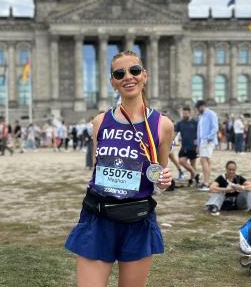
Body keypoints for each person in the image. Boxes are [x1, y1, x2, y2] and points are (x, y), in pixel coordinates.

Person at [65, 51, 173, 287]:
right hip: (98, 216)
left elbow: (158, 174)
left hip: (137, 219)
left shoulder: (162, 125)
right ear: (113, 81)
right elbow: (97, 167)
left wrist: (164, 181)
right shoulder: (100, 121)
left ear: (144, 75)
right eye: (119, 73)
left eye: (134, 70)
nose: (128, 77)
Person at [195, 100, 218, 191]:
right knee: (207, 161)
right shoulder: (201, 116)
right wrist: (198, 144)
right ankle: (206, 181)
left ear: (202, 106)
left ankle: (206, 183)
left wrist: (208, 138)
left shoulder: (211, 114)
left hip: (208, 141)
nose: (197, 110)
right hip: (202, 141)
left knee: (203, 160)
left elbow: (215, 127)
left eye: (198, 108)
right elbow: (199, 131)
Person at [174, 107, 199, 186]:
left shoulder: (195, 123)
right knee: (181, 161)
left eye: (186, 113)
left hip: (193, 147)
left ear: (190, 113)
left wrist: (198, 145)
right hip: (184, 147)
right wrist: (171, 140)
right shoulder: (180, 123)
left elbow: (199, 134)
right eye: (183, 113)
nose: (184, 115)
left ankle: (192, 180)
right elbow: (174, 133)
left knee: (193, 164)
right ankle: (195, 174)